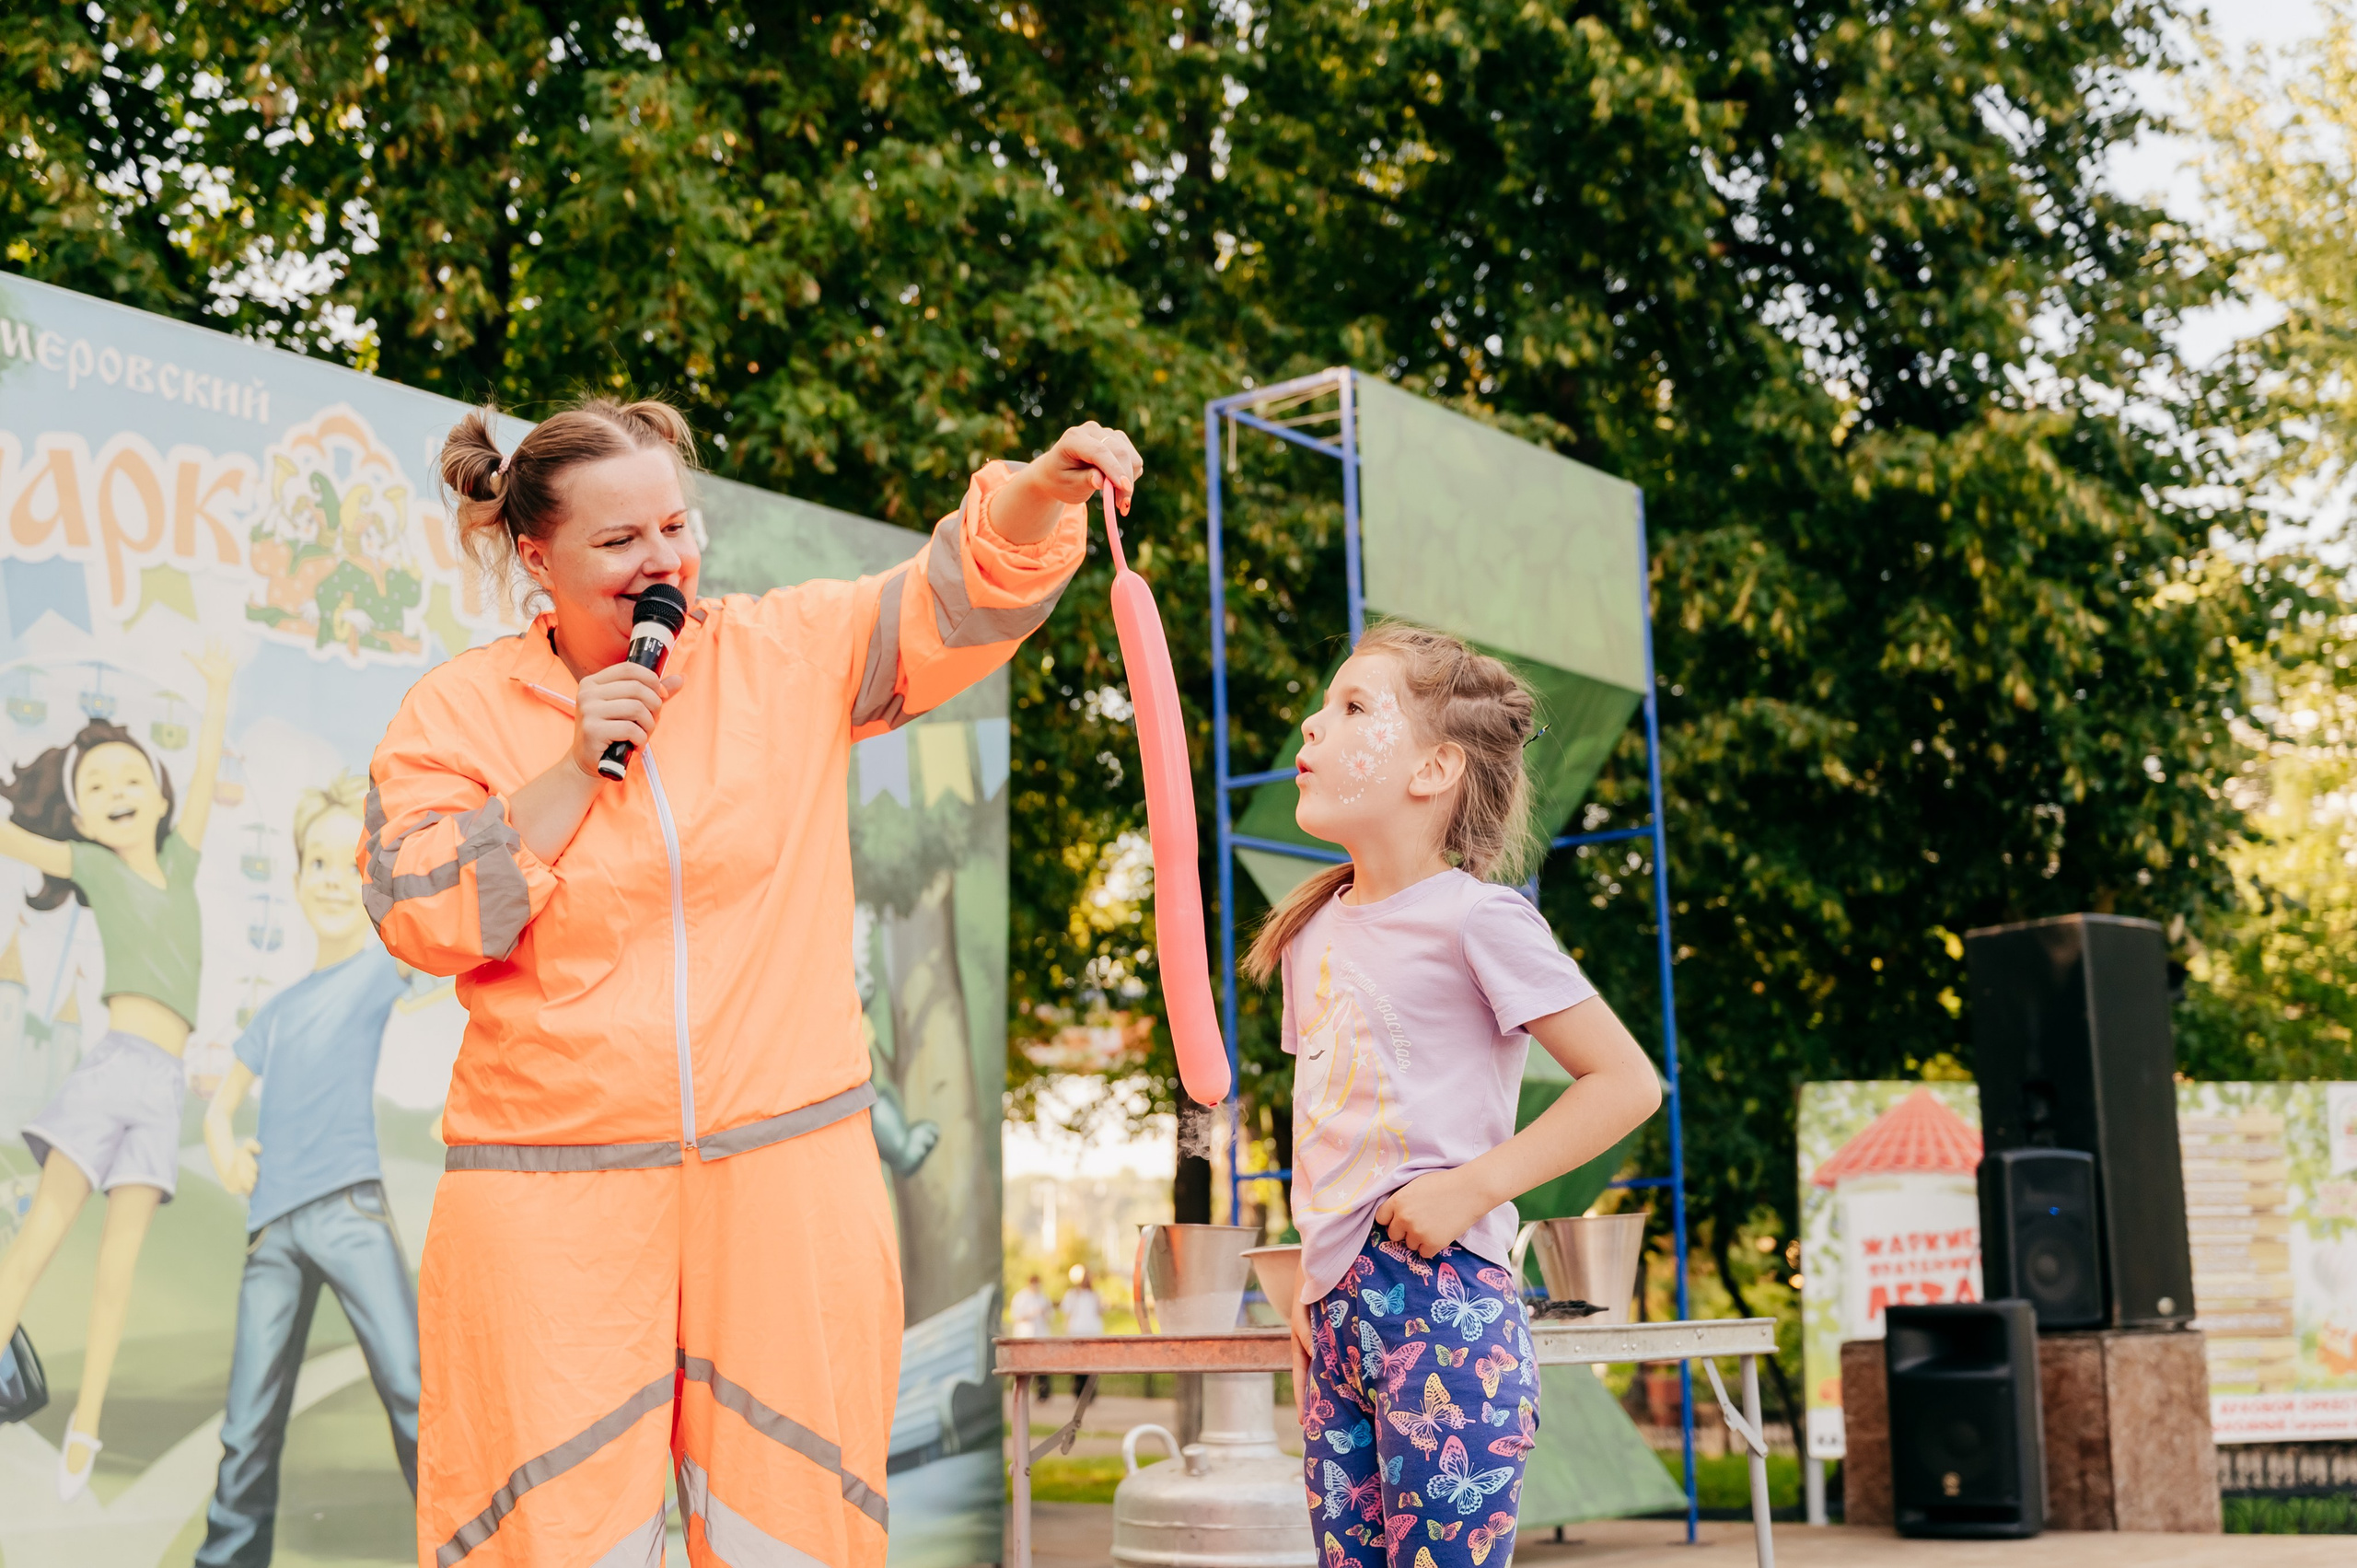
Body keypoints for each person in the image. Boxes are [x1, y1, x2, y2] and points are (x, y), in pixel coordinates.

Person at [368, 395, 1136, 1568]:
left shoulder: (787, 651)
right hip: (548, 1196)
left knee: (796, 1533)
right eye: (620, 542)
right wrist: (572, 769)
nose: (662, 559)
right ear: (536, 553)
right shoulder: (458, 709)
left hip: (788, 1171)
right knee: (552, 1538)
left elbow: (960, 595)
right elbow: (419, 911)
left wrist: (1040, 485)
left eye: (676, 526)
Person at [1246, 622, 1663, 1568]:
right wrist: (1313, 1281)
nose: (1313, 723)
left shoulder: (1480, 917)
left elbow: (1626, 1082)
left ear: (1432, 769)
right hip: (1334, 1313)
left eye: (1353, 705)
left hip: (1444, 1308)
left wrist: (1469, 1187)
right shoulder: (1311, 930)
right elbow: (1331, 1122)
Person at [0, 645, 236, 1500]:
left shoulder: (182, 862)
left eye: (130, 777)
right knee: (39, 1242)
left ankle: (85, 1430)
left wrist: (216, 690)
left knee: (116, 1271)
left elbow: (207, 770)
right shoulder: (94, 864)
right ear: (84, 821)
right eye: (95, 789)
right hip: (111, 1071)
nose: (117, 794)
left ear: (159, 792)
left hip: (163, 1090)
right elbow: (13, 832)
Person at [197, 774, 421, 1568]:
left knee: (415, 1395)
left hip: (348, 1211)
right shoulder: (277, 1010)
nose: (332, 878)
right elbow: (220, 1106)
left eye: (347, 860)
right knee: (245, 1426)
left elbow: (418, 929)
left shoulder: (378, 969)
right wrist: (225, 1147)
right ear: (294, 880)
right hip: (272, 1231)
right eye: (316, 863)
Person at [1058, 1264, 1104, 1396]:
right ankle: (1078, 1390)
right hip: (1077, 1331)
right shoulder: (1072, 1294)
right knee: (1078, 1364)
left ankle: (1090, 1392)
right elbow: (1067, 1313)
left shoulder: (1095, 1295)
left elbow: (1100, 1311)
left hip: (1092, 1332)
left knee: (1091, 1365)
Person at [1008, 1272, 1054, 1400]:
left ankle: (1043, 1393)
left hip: (1041, 1336)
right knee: (1023, 1367)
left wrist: (1044, 1313)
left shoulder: (1043, 1297)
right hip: (1025, 1336)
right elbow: (1015, 1316)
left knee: (1042, 1367)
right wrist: (1032, 1313)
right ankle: (1020, 1393)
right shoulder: (1021, 1297)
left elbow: (1050, 1316)